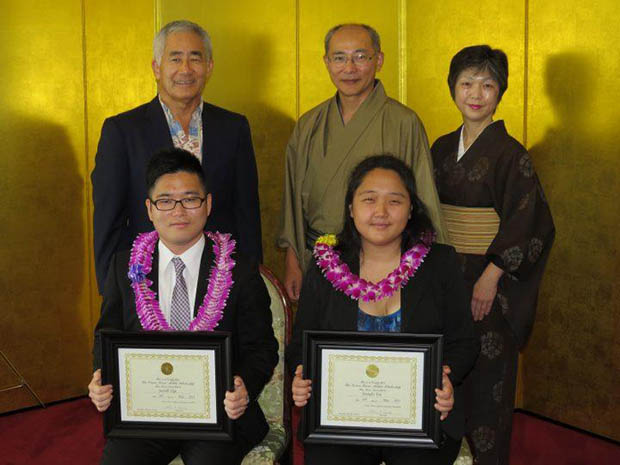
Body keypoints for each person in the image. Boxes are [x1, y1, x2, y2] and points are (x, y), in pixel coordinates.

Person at [88, 148, 278, 465]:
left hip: (219, 414)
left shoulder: (239, 269)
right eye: (165, 201)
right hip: (147, 411)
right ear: (149, 209)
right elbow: (107, 333)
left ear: (208, 205)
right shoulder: (125, 266)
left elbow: (262, 347)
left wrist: (244, 385)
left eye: (190, 199)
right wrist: (100, 375)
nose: (178, 211)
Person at [285, 155, 478, 465]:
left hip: (419, 415)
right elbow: (300, 347)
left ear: (411, 208)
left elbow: (465, 343)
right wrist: (300, 374)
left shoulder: (440, 264)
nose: (381, 212)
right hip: (341, 419)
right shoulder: (324, 266)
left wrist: (447, 378)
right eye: (369, 199)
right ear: (351, 208)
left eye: (395, 201)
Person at [431, 45, 555, 465]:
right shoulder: (441, 147)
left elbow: (530, 222)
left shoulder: (511, 154)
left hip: (490, 285)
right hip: (446, 277)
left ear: (500, 92)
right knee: (445, 380)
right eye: (466, 83)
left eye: (487, 84)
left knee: (487, 388)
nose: (476, 93)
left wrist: (492, 274)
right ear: (453, 89)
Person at [277, 23, 447, 301]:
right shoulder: (309, 124)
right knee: (325, 339)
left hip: (387, 260)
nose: (349, 68)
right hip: (319, 258)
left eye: (360, 56)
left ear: (378, 60)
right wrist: (293, 262)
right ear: (327, 62)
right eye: (339, 58)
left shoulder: (404, 122)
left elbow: (423, 197)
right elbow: (293, 200)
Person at [92, 20, 262, 294]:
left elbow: (247, 215)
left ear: (209, 67)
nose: (185, 69)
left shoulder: (234, 128)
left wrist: (252, 283)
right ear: (157, 68)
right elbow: (108, 221)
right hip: (146, 282)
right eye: (175, 59)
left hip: (219, 281)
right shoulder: (122, 131)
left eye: (195, 58)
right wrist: (112, 292)